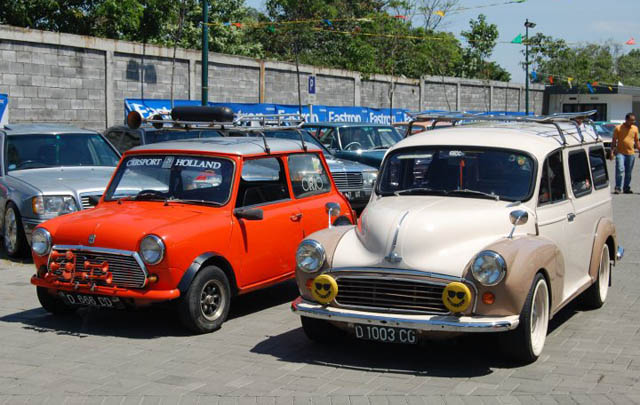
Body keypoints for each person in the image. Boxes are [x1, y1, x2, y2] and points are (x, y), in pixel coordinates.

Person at [610, 113, 640, 194]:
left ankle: (626, 188)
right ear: (626, 120)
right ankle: (618, 187)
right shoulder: (618, 128)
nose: (633, 122)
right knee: (620, 169)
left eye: (634, 120)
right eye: (631, 120)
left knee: (628, 172)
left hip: (631, 153)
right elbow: (614, 141)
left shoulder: (635, 128)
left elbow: (637, 141)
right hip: (620, 153)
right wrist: (612, 152)